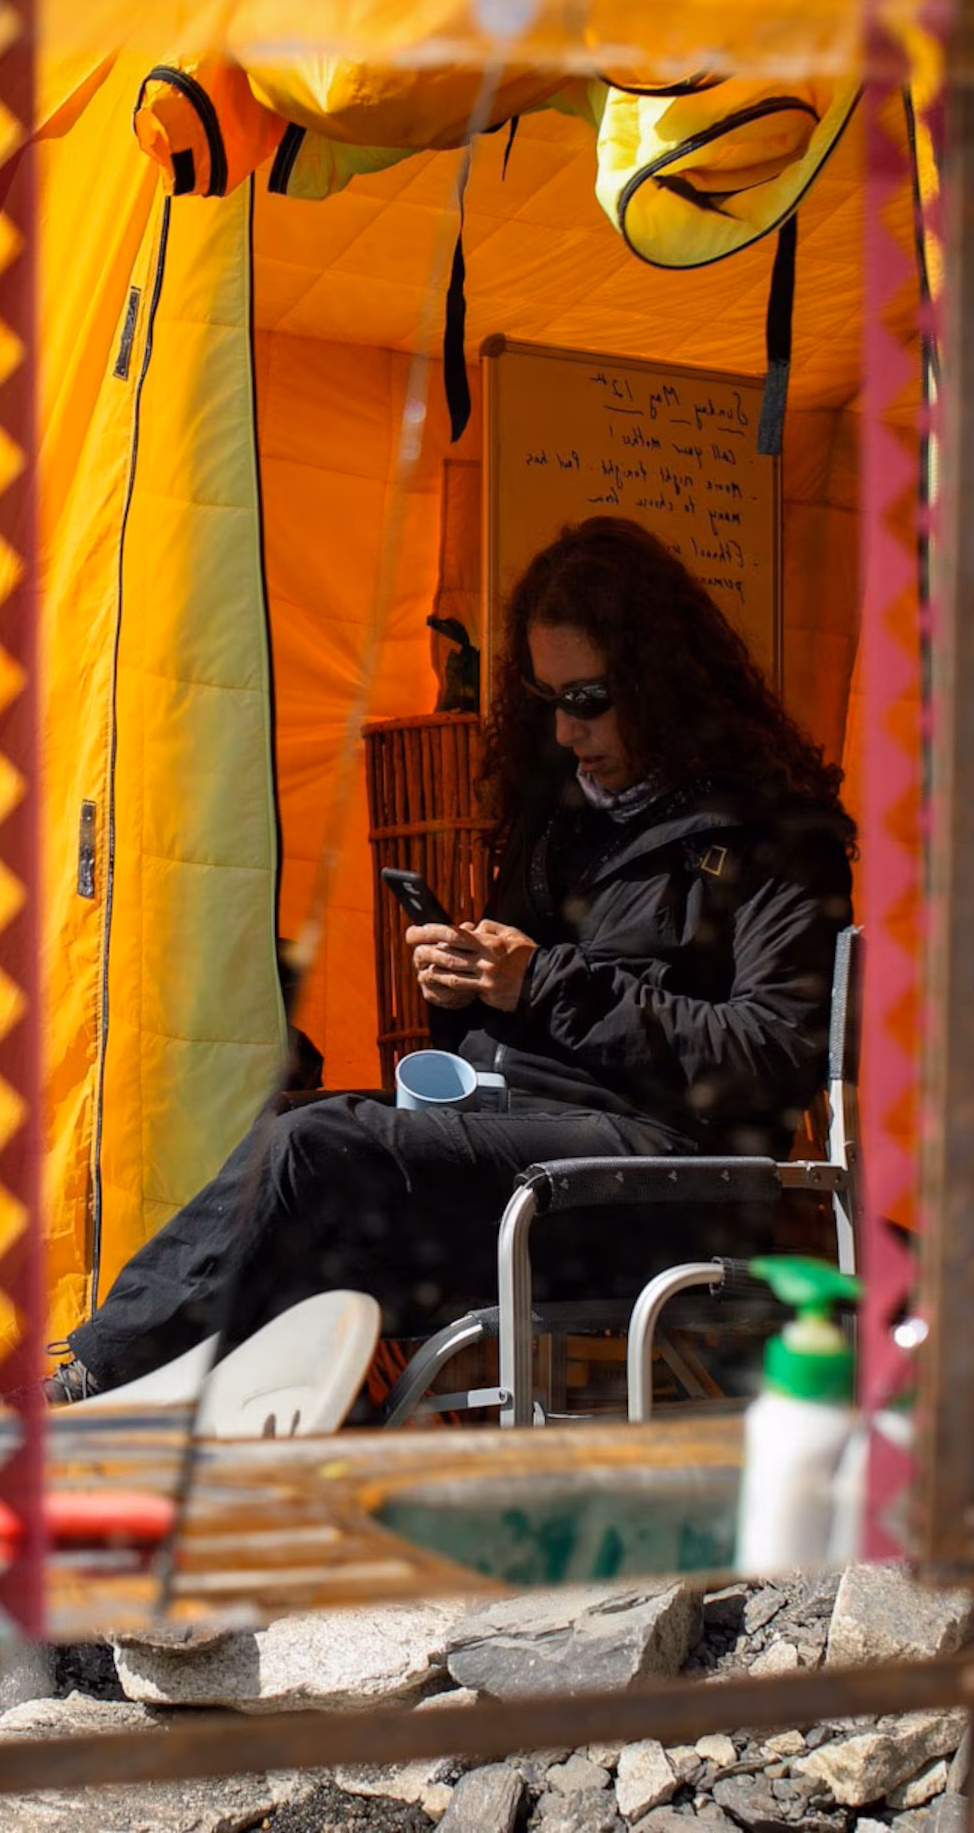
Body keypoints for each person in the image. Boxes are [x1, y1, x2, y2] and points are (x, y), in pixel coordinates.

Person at [49, 517, 856, 1400]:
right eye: (547, 701)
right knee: (297, 1153)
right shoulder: (568, 826)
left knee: (314, 1153)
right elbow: (528, 1014)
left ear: (664, 683)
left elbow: (772, 1059)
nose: (565, 732)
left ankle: (86, 1384)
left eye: (587, 700)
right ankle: (213, 1447)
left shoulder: (773, 839)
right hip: (530, 1147)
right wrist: (467, 984)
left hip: (661, 1181)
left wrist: (541, 981)